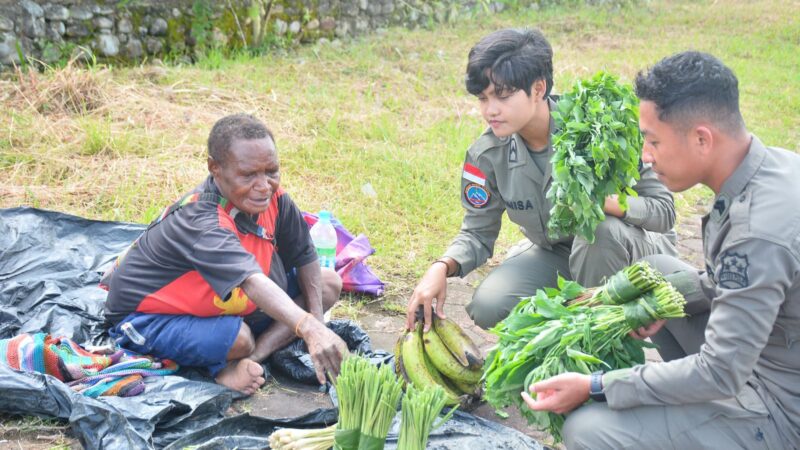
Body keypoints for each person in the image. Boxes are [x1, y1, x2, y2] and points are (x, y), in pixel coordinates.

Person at [522, 51, 799, 449]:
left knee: (587, 431)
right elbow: (733, 285)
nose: (646, 156)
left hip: (781, 408)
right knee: (658, 277)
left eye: (653, 141)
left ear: (702, 138)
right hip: (769, 352)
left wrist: (597, 385)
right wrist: (643, 304)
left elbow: (721, 372)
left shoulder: (757, 235)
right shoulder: (774, 166)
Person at [406, 28, 678, 331]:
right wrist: (441, 267)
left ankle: (603, 345)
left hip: (635, 251)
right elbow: (477, 232)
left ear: (538, 89)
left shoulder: (600, 128)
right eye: (483, 98)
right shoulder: (487, 155)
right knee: (490, 304)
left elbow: (664, 211)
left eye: (502, 95)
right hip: (560, 252)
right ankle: (573, 320)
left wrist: (607, 203)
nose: (490, 110)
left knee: (599, 232)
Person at [102, 114, 348, 395]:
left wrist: (316, 322)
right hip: (149, 317)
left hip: (224, 303)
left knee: (328, 284)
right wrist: (310, 328)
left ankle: (253, 358)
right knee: (238, 338)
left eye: (271, 171)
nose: (264, 185)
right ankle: (222, 368)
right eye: (248, 175)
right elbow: (252, 281)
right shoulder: (203, 221)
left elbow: (305, 255)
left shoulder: (274, 201)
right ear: (214, 168)